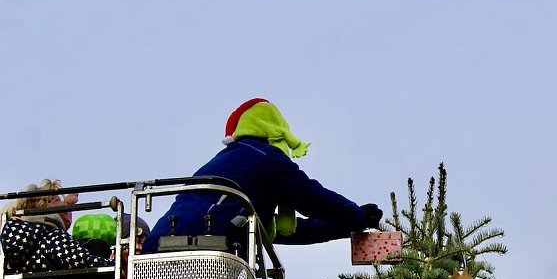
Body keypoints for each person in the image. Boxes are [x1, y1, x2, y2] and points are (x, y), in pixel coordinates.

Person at [142, 98, 383, 252]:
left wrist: (344, 228)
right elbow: (312, 198)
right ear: (275, 131)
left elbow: (279, 231)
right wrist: (357, 216)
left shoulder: (230, 162)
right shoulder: (262, 157)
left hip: (159, 251)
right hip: (197, 252)